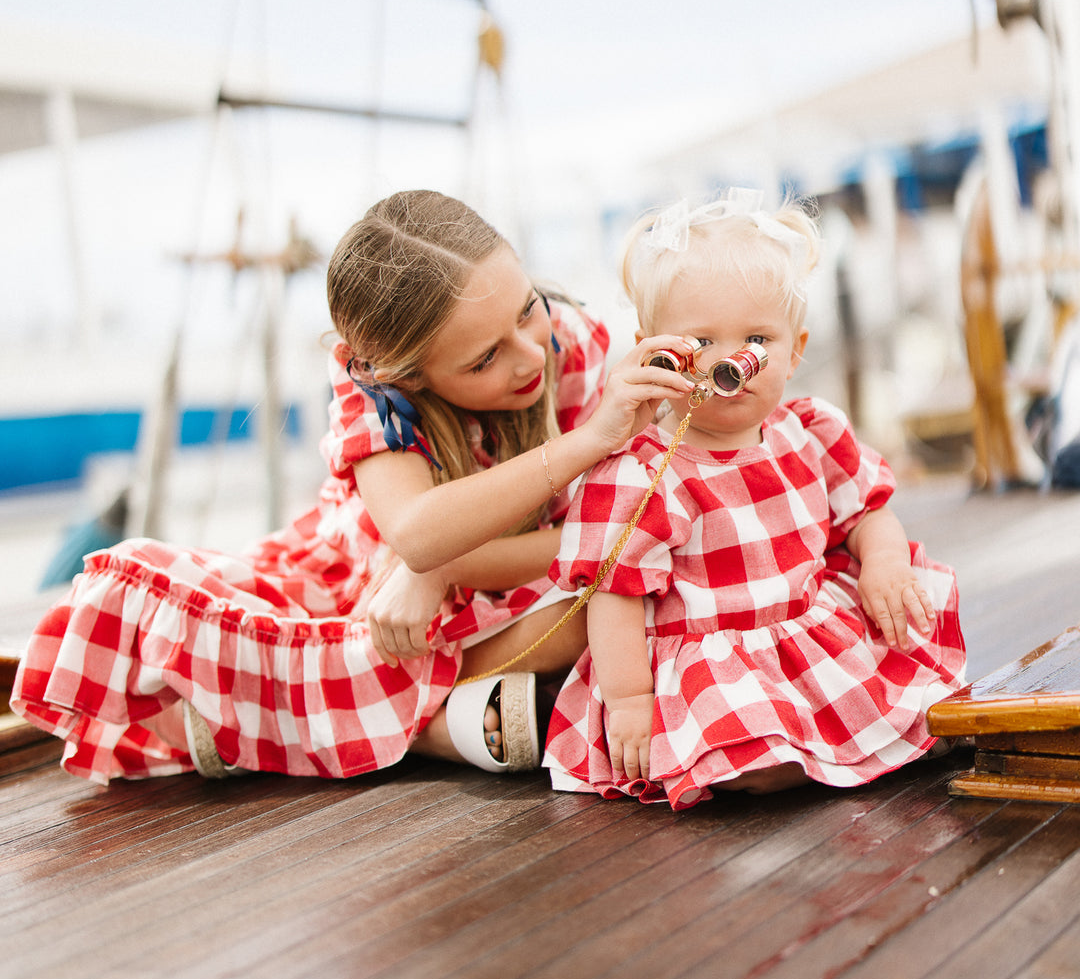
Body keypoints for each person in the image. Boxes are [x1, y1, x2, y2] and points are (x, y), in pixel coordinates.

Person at [11, 189, 700, 785]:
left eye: (527, 309)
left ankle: (283, 718)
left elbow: (619, 535)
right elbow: (415, 535)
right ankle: (427, 726)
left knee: (600, 610)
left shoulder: (572, 347)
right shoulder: (375, 396)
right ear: (406, 375)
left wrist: (443, 567)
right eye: (484, 357)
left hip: (523, 584)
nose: (529, 353)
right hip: (368, 589)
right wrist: (581, 445)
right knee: (152, 585)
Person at [543, 189, 966, 810]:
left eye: (757, 339)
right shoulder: (642, 474)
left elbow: (867, 511)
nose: (729, 361)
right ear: (654, 352)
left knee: (908, 673)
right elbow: (614, 598)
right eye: (701, 342)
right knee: (743, 758)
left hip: (807, 635)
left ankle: (865, 734)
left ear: (795, 350)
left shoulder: (809, 431)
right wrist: (630, 701)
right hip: (708, 663)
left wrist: (884, 562)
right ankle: (827, 750)